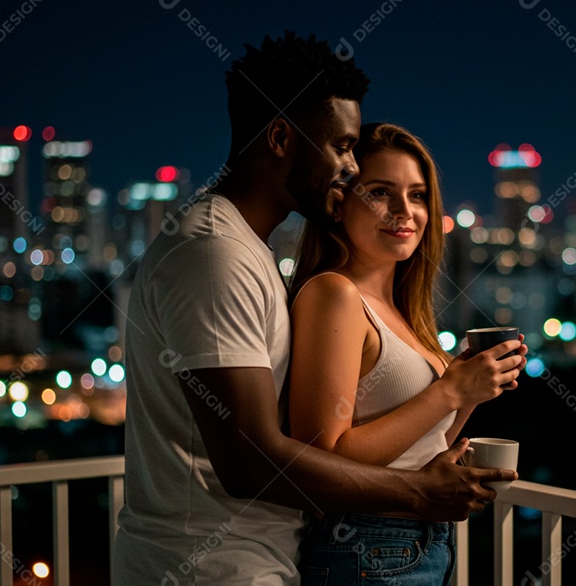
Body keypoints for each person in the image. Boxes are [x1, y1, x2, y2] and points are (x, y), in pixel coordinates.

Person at [112, 33, 517, 586]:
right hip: (207, 567)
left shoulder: (246, 251)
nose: (349, 168)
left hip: (259, 558)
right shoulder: (213, 255)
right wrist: (417, 491)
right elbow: (249, 459)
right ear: (281, 137)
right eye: (343, 147)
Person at [287, 122, 528, 585]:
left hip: (420, 542)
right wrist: (448, 392)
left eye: (417, 195)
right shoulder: (334, 294)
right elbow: (324, 453)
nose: (404, 211)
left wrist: (469, 389)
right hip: (364, 545)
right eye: (380, 192)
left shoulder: (403, 312)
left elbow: (419, 446)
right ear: (339, 203)